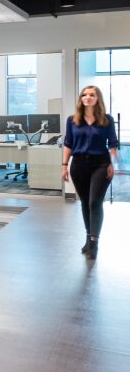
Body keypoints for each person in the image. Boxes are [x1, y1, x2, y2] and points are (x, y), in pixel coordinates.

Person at [62, 86, 120, 258]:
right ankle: (88, 238)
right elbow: (68, 144)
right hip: (78, 165)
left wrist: (113, 163)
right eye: (84, 95)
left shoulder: (107, 120)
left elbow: (113, 144)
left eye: (92, 95)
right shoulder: (72, 120)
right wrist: (64, 166)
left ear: (97, 98)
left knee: (95, 202)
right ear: (81, 98)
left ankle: (94, 243)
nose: (87, 97)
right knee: (85, 202)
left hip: (101, 164)